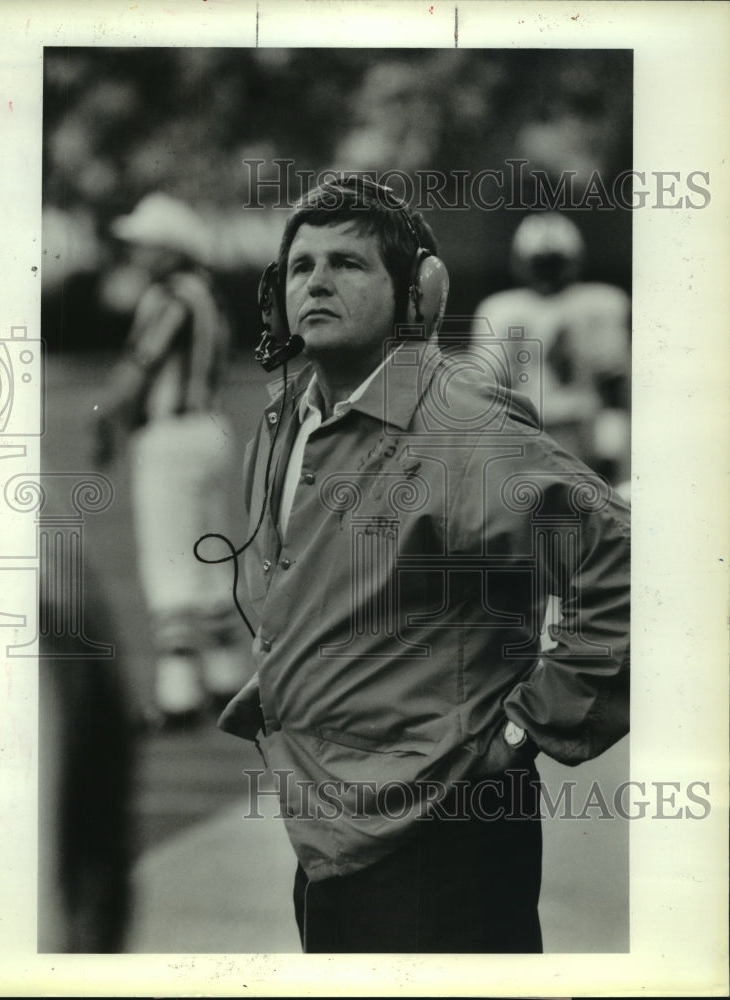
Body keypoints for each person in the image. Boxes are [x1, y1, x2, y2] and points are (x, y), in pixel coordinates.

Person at [218, 176, 630, 953]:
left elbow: (626, 565)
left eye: (348, 263)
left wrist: (528, 728)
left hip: (440, 838)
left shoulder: (457, 429)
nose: (317, 282)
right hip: (334, 830)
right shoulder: (290, 420)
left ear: (416, 296)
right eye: (301, 266)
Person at [92, 192, 249, 723]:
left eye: (145, 243)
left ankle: (178, 692)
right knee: (208, 556)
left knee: (168, 560)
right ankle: (226, 677)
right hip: (211, 429)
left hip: (172, 436)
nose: (136, 252)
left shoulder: (170, 296)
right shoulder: (207, 292)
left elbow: (139, 364)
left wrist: (103, 415)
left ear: (169, 247)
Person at [472, 212, 631, 489]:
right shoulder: (500, 310)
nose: (546, 273)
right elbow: (489, 393)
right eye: (540, 264)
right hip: (528, 433)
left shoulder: (601, 304)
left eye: (553, 263)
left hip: (582, 432)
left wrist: (609, 450)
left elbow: (613, 391)